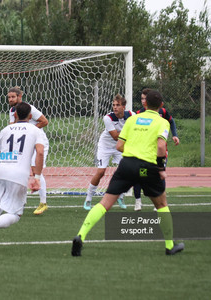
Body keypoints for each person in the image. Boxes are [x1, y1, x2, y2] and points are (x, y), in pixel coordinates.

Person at [71, 89, 185, 256]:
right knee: (161, 205)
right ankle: (169, 246)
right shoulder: (162, 122)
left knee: (104, 204)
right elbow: (161, 147)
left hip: (127, 165)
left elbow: (119, 146)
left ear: (145, 104)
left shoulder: (133, 120)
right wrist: (161, 168)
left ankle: (81, 235)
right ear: (161, 106)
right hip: (148, 167)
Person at [0, 102, 45, 252]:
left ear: (15, 115)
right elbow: (40, 153)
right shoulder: (35, 130)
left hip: (1, 171)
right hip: (18, 174)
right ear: (30, 116)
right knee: (16, 213)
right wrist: (37, 178)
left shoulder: (5, 129)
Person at [83, 94, 133, 211]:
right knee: (101, 172)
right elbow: (115, 136)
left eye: (118, 105)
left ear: (124, 107)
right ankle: (88, 199)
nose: (115, 107)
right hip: (105, 146)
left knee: (124, 171)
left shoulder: (132, 115)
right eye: (114, 105)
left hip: (120, 147)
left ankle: (120, 197)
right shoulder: (108, 118)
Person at [133, 88, 180, 211]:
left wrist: (174, 135)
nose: (143, 101)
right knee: (139, 175)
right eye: (142, 98)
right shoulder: (139, 114)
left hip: (159, 151)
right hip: (144, 152)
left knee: (160, 175)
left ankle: (159, 202)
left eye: (145, 98)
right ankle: (138, 201)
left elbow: (171, 121)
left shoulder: (162, 112)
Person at [7, 87, 50, 215]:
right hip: (25, 143)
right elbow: (13, 125)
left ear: (20, 96)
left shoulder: (30, 108)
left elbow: (44, 121)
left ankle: (43, 203)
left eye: (13, 97)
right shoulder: (12, 110)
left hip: (39, 141)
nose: (10, 99)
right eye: (9, 97)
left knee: (35, 168)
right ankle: (21, 200)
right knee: (22, 169)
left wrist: (29, 130)